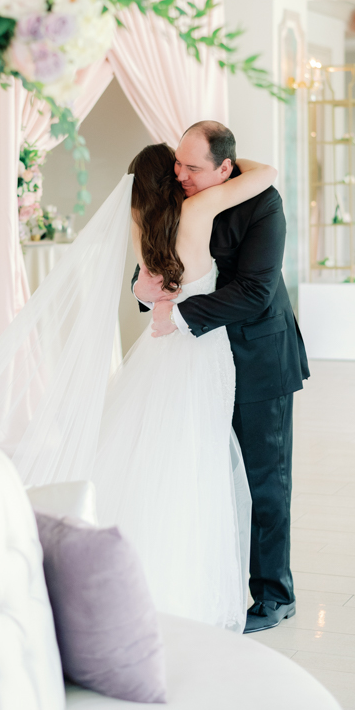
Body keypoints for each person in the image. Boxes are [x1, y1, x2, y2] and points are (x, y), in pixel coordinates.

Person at [134, 121, 309, 634]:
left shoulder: (264, 204)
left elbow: (256, 291)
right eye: (178, 163)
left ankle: (276, 594)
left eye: (192, 167)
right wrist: (148, 291)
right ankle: (217, 580)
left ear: (226, 169)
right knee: (207, 476)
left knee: (265, 483)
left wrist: (179, 315)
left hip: (259, 360)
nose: (180, 175)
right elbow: (155, 262)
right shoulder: (178, 194)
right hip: (198, 366)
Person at [93, 143, 277, 632]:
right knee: (200, 457)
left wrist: (149, 295)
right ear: (171, 181)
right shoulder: (197, 210)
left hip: (157, 350)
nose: (183, 173)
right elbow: (267, 173)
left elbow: (145, 285)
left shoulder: (140, 223)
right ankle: (193, 579)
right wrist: (235, 165)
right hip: (199, 348)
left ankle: (139, 574)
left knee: (152, 452)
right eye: (177, 168)